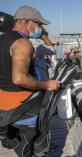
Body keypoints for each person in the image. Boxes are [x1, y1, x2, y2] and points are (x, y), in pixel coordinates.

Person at [0, 5, 59, 157]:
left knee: (16, 140)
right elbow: (19, 78)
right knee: (35, 145)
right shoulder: (23, 43)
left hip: (3, 102)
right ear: (27, 22)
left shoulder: (2, 39)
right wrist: (47, 84)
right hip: (21, 104)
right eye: (38, 24)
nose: (40, 28)